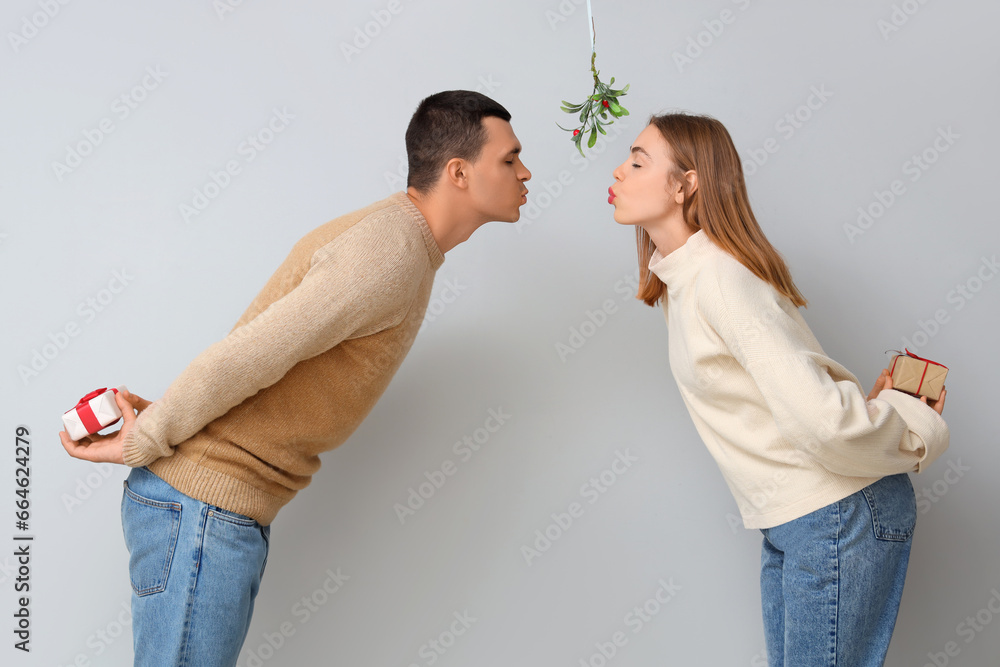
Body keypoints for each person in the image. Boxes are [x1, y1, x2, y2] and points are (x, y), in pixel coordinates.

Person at [60, 89, 531, 666]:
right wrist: (149, 435)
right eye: (509, 159)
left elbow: (272, 362)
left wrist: (164, 420)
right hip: (201, 510)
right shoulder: (390, 253)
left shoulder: (402, 244)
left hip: (210, 511)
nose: (525, 172)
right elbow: (246, 356)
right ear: (459, 172)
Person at [608, 111, 949, 666]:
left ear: (685, 183)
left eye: (638, 160)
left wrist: (913, 427)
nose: (618, 171)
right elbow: (784, 404)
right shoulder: (682, 282)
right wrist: (881, 408)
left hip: (838, 511)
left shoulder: (721, 279)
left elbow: (821, 418)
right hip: (798, 519)